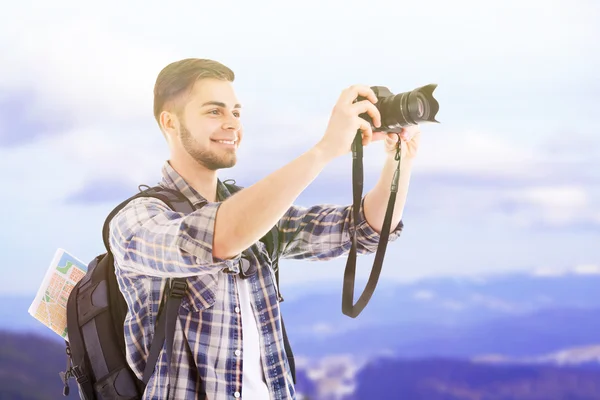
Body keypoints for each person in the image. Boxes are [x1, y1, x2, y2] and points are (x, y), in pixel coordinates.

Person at [108, 58, 421, 400]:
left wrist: (398, 160)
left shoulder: (257, 212)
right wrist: (324, 150)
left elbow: (363, 230)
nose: (232, 124)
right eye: (215, 112)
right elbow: (213, 239)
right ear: (170, 122)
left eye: (236, 112)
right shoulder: (137, 220)